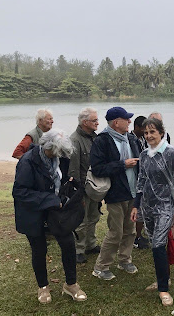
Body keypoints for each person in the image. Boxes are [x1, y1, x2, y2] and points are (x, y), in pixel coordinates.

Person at [12, 129, 87, 303]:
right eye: (58, 152)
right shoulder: (27, 161)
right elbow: (19, 192)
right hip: (32, 212)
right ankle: (43, 287)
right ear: (48, 147)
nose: (61, 156)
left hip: (56, 212)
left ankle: (71, 284)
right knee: (39, 250)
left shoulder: (59, 158)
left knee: (68, 244)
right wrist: (50, 199)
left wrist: (70, 189)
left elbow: (63, 178)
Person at [130, 118, 174, 307]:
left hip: (166, 206)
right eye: (146, 133)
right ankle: (164, 277)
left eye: (153, 132)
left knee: (159, 244)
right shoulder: (144, 155)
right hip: (148, 206)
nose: (149, 136)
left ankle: (163, 289)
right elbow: (141, 180)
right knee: (155, 244)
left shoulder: (170, 153)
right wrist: (136, 205)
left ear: (161, 132)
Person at [90, 107, 140, 280]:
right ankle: (101, 267)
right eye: (127, 119)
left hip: (133, 192)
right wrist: (122, 164)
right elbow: (97, 168)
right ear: (116, 122)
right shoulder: (102, 141)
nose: (130, 122)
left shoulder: (131, 138)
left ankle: (125, 259)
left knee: (130, 230)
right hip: (115, 193)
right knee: (115, 232)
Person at [68, 107, 100, 264]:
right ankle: (78, 250)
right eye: (94, 120)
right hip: (82, 188)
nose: (97, 123)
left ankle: (90, 244)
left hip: (94, 186)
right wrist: (78, 192)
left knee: (94, 216)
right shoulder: (75, 140)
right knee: (81, 219)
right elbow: (73, 170)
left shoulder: (94, 137)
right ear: (84, 122)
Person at [132, 115, 150, 250]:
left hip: (144, 177)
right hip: (136, 178)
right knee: (137, 209)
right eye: (144, 129)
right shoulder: (131, 139)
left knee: (143, 209)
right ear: (137, 127)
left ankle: (139, 234)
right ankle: (135, 237)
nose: (146, 132)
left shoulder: (142, 139)